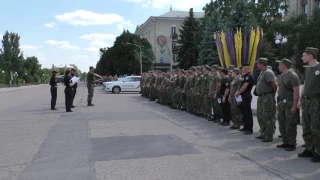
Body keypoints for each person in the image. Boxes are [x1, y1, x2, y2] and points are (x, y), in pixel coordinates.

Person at [297, 47, 320, 163]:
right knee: (306, 126)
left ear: (310, 55)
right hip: (306, 101)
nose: (302, 57)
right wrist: (300, 99)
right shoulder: (307, 69)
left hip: (316, 101)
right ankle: (309, 148)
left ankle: (319, 151)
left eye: (304, 55)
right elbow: (305, 85)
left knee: (316, 127)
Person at [276, 58, 300, 151]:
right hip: (282, 102)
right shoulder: (281, 76)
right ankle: (285, 141)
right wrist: (278, 103)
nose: (278, 66)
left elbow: (296, 91)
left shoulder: (293, 76)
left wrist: (294, 106)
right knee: (282, 123)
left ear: (284, 65)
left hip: (289, 102)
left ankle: (292, 143)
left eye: (280, 64)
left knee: (290, 124)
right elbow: (280, 90)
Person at [255, 58, 278, 142]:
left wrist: (271, 95)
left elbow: (274, 85)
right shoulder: (262, 72)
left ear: (261, 63)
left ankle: (269, 135)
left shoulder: (268, 72)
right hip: (261, 97)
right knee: (260, 115)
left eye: (258, 63)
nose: (257, 65)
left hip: (267, 96)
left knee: (268, 116)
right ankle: (263, 133)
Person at [235, 63, 254, 135]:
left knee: (247, 112)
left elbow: (244, 87)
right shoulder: (245, 76)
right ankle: (245, 127)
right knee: (244, 112)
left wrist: (238, 93)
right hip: (242, 96)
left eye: (242, 68)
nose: (241, 69)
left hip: (246, 96)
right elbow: (241, 86)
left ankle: (249, 129)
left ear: (246, 68)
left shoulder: (248, 76)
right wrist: (238, 92)